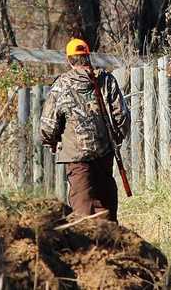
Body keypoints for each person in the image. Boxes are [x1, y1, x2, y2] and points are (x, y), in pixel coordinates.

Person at [40, 38, 130, 222]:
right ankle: (111, 245)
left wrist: (52, 141)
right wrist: (115, 140)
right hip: (105, 153)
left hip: (77, 158)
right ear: (87, 56)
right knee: (105, 206)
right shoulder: (106, 80)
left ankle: (88, 247)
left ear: (69, 60)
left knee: (82, 210)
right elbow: (122, 116)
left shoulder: (61, 85)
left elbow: (48, 125)